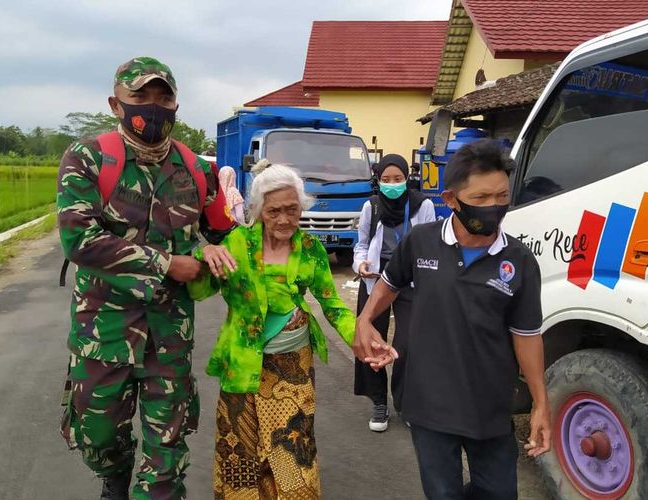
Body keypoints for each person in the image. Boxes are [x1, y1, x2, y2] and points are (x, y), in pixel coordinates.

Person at [57, 56, 237, 500]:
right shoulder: (88, 158)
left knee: (165, 459)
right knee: (99, 438)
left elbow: (223, 235)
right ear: (115, 104)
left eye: (163, 97)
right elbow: (79, 240)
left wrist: (214, 248)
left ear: (176, 104)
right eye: (140, 97)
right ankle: (113, 477)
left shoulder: (197, 169)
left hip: (169, 338)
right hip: (104, 332)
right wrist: (165, 263)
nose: (153, 106)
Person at [354, 139, 551, 499]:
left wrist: (541, 403)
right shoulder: (421, 242)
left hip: (489, 406)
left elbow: (526, 335)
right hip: (428, 403)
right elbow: (389, 282)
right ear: (450, 200)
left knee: (499, 493)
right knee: (442, 494)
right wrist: (365, 319)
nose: (493, 208)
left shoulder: (520, 262)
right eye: (480, 199)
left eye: (501, 197)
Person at [188, 160, 394, 499]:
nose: (284, 219)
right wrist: (204, 255)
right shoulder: (237, 243)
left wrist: (361, 335)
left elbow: (332, 305)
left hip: (293, 371)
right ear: (258, 210)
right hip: (242, 366)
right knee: (241, 450)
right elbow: (198, 291)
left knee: (293, 450)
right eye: (274, 211)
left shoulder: (311, 250)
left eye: (292, 210)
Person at [353, 153, 435, 432]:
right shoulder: (372, 206)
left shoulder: (422, 205)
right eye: (386, 180)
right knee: (370, 339)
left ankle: (405, 401)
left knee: (408, 342)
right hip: (376, 280)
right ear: (378, 180)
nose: (392, 184)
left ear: (407, 178)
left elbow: (428, 246)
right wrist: (360, 264)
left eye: (397, 179)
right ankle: (379, 401)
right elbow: (361, 245)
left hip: (410, 280)